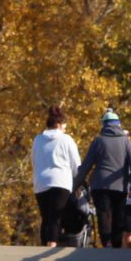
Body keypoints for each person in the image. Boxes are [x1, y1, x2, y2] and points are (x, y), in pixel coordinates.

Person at [73, 108, 131, 248]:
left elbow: (86, 166)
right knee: (118, 216)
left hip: (99, 186)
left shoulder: (98, 141)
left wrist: (76, 185)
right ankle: (116, 243)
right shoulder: (126, 142)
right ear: (118, 124)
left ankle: (106, 243)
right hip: (120, 186)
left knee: (104, 214)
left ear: (104, 124)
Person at [31, 106, 81, 247]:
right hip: (61, 181)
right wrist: (78, 181)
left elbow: (33, 160)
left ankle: (44, 245)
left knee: (46, 217)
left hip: (41, 181)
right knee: (56, 217)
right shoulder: (66, 139)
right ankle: (51, 246)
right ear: (59, 125)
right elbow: (76, 164)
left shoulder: (38, 139)